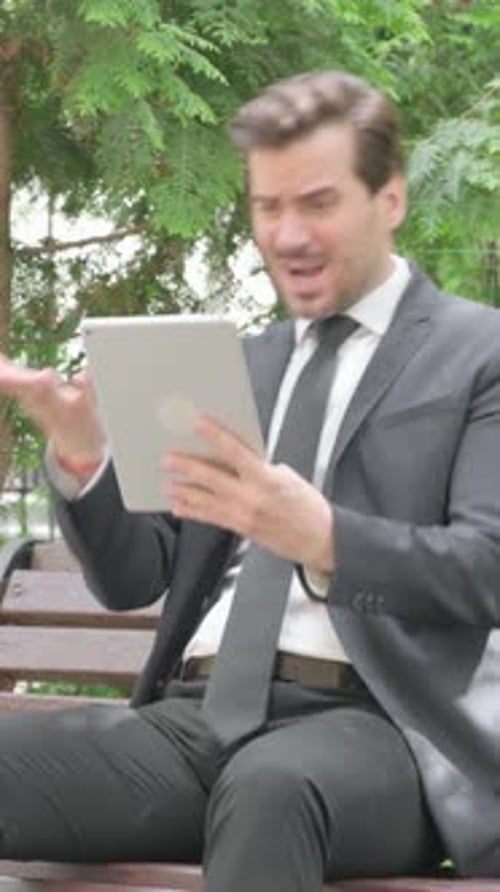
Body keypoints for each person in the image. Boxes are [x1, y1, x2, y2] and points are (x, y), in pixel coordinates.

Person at [0, 69, 499, 889]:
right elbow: (135, 578)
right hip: (194, 725)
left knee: (270, 790)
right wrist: (85, 461)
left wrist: (327, 540)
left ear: (392, 200)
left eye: (318, 202)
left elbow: (488, 567)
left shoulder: (480, 353)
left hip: (379, 732)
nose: (289, 233)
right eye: (269, 208)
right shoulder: (242, 364)